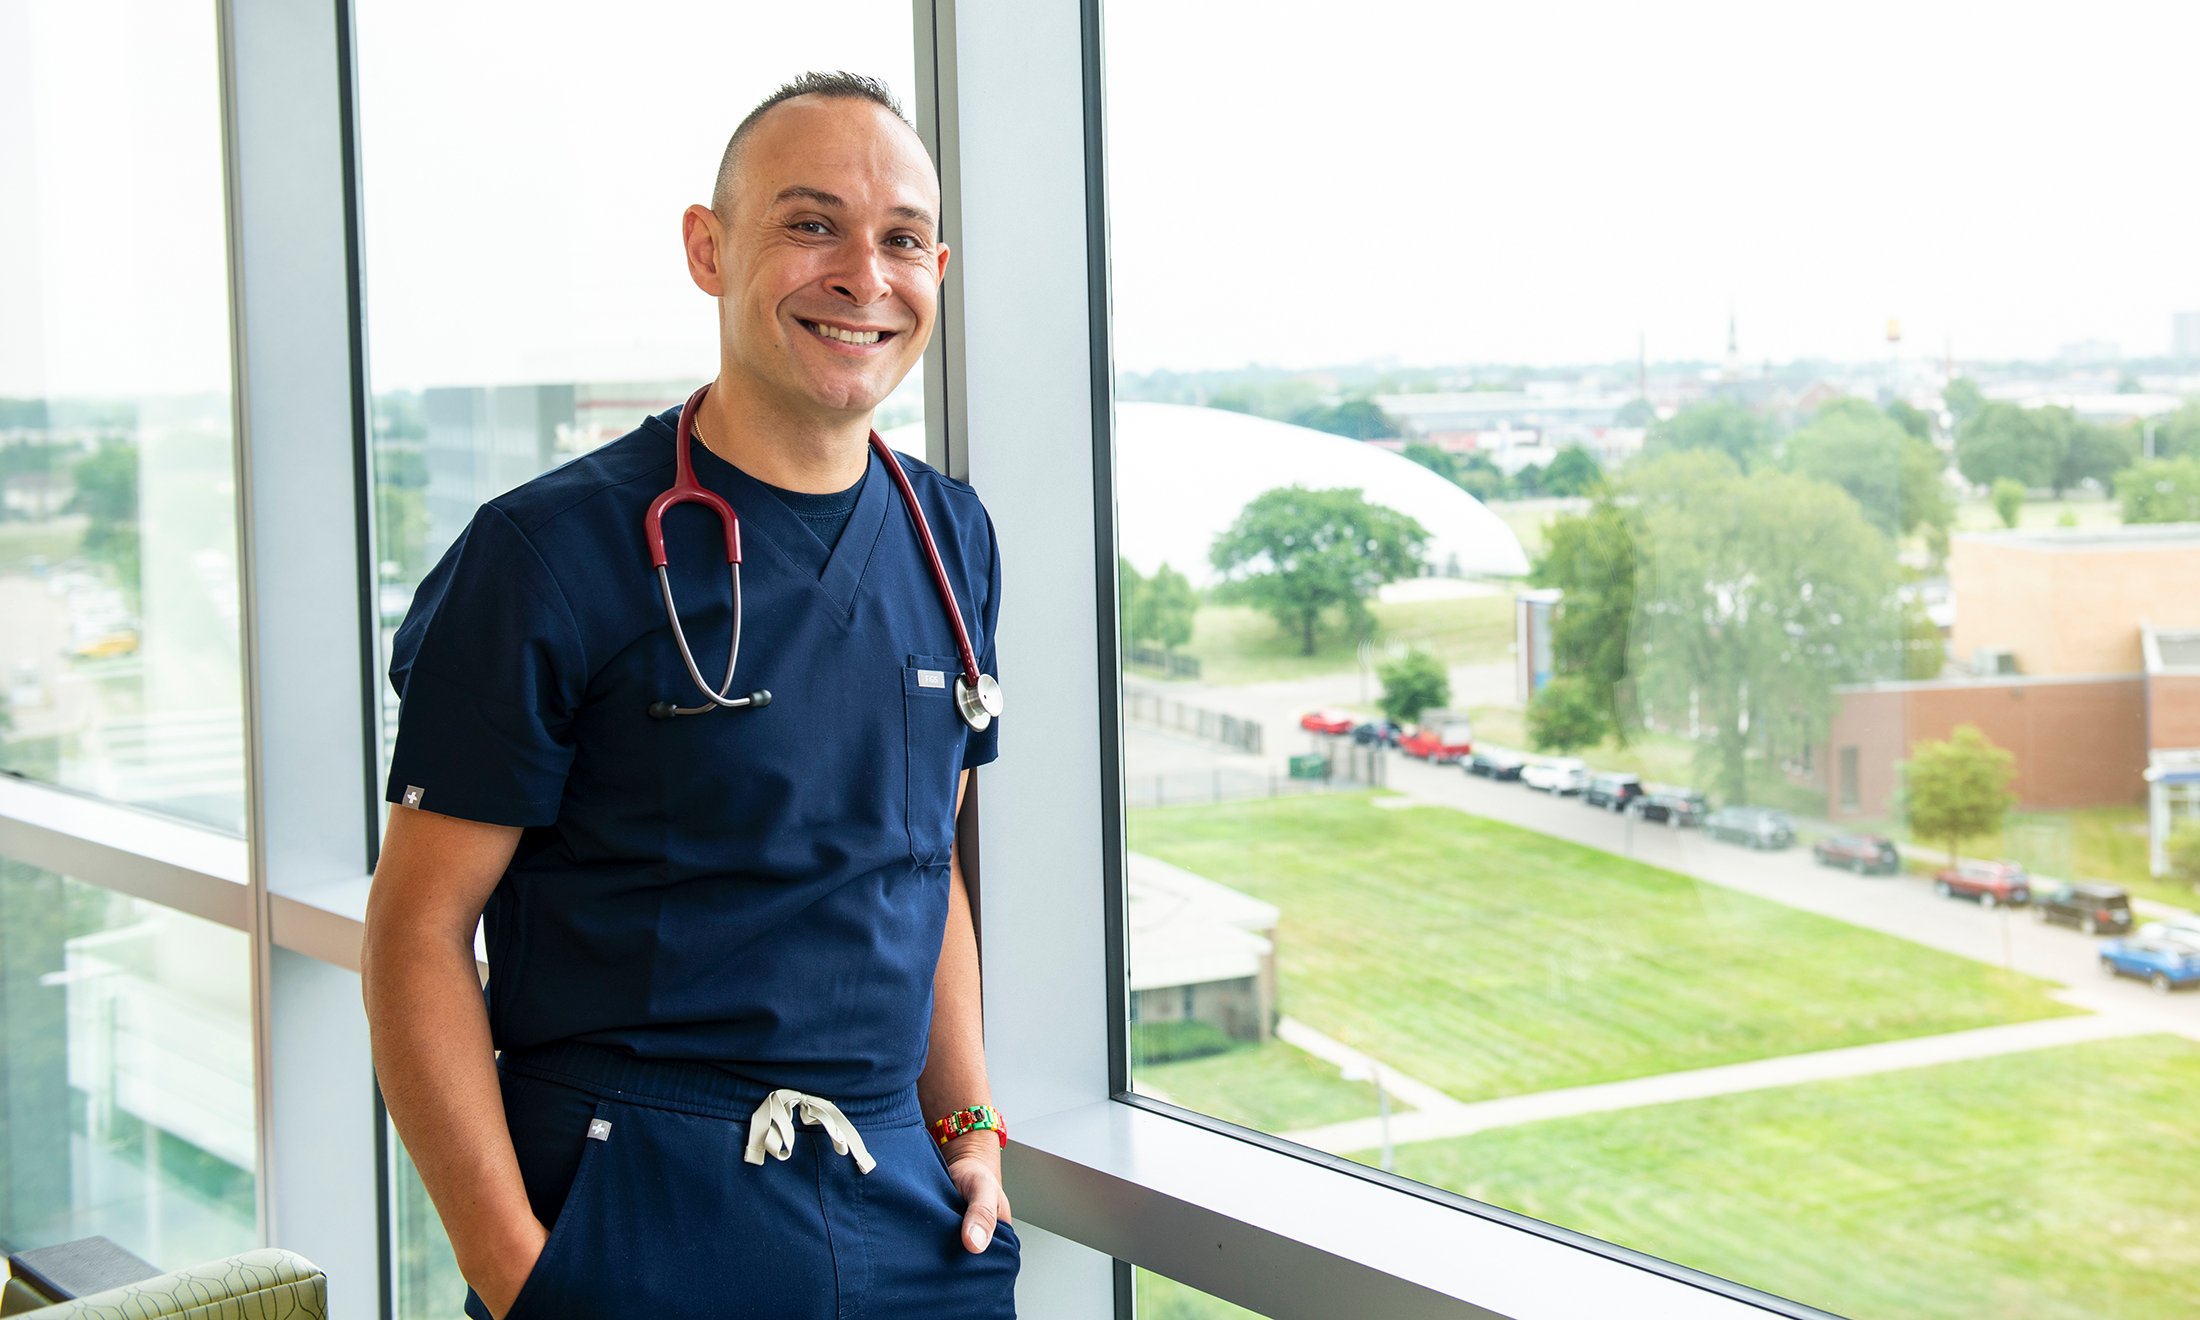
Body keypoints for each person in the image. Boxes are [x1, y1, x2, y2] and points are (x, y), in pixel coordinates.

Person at [359, 71, 1017, 1320]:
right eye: (810, 224)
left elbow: (923, 870)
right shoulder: (547, 556)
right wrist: (517, 1270)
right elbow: (417, 934)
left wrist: (969, 1122)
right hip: (630, 1200)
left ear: (938, 265)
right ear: (708, 250)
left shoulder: (953, 537)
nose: (862, 277)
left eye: (898, 241)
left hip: (909, 1215)